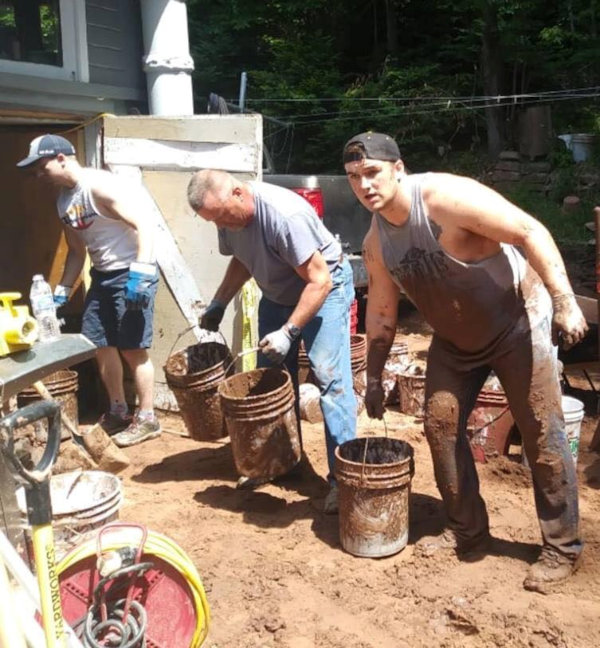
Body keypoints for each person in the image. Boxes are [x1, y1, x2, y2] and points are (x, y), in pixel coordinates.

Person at [343, 131, 587, 592]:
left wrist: (564, 300)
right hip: (455, 340)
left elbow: (529, 230)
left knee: (541, 430)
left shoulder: (444, 198)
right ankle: (466, 529)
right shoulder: (376, 242)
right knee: (439, 423)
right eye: (354, 177)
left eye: (372, 172)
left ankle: (562, 546)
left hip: (517, 320)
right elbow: (379, 312)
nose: (364, 185)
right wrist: (372, 378)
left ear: (398, 169)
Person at [187, 169, 356, 512]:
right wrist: (219, 301)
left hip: (325, 290)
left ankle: (344, 481)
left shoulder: (284, 216)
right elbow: (242, 259)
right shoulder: (227, 218)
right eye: (211, 220)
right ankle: (279, 463)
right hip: (278, 296)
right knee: (272, 385)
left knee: (330, 381)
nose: (218, 224)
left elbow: (320, 280)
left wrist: (289, 332)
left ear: (237, 193)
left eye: (220, 215)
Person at [17, 133, 161, 448]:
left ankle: (148, 417)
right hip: (102, 277)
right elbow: (75, 251)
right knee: (99, 344)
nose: (40, 175)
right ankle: (118, 411)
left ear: (61, 158)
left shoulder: (98, 186)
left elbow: (144, 225)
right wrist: (62, 290)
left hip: (131, 272)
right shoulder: (63, 200)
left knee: (133, 348)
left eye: (42, 167)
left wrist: (142, 273)